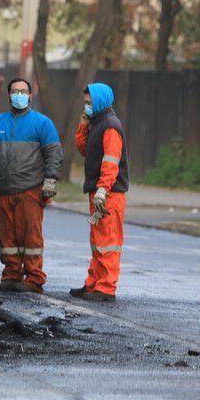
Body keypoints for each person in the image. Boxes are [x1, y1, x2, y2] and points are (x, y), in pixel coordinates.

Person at [0, 78, 62, 293]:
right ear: (9, 95)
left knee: (30, 237)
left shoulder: (42, 123)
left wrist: (50, 179)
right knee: (7, 239)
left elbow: (53, 152)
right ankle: (12, 275)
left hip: (29, 191)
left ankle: (34, 279)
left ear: (30, 95)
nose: (19, 95)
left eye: (23, 91)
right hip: (2, 193)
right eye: (15, 91)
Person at [69, 83, 128, 303]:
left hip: (109, 193)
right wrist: (83, 126)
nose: (86, 107)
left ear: (101, 102)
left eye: (89, 103)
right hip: (100, 191)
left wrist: (103, 188)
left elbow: (111, 160)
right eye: (85, 103)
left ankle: (106, 288)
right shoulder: (97, 123)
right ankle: (93, 284)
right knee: (98, 242)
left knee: (108, 242)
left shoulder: (110, 126)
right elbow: (86, 150)